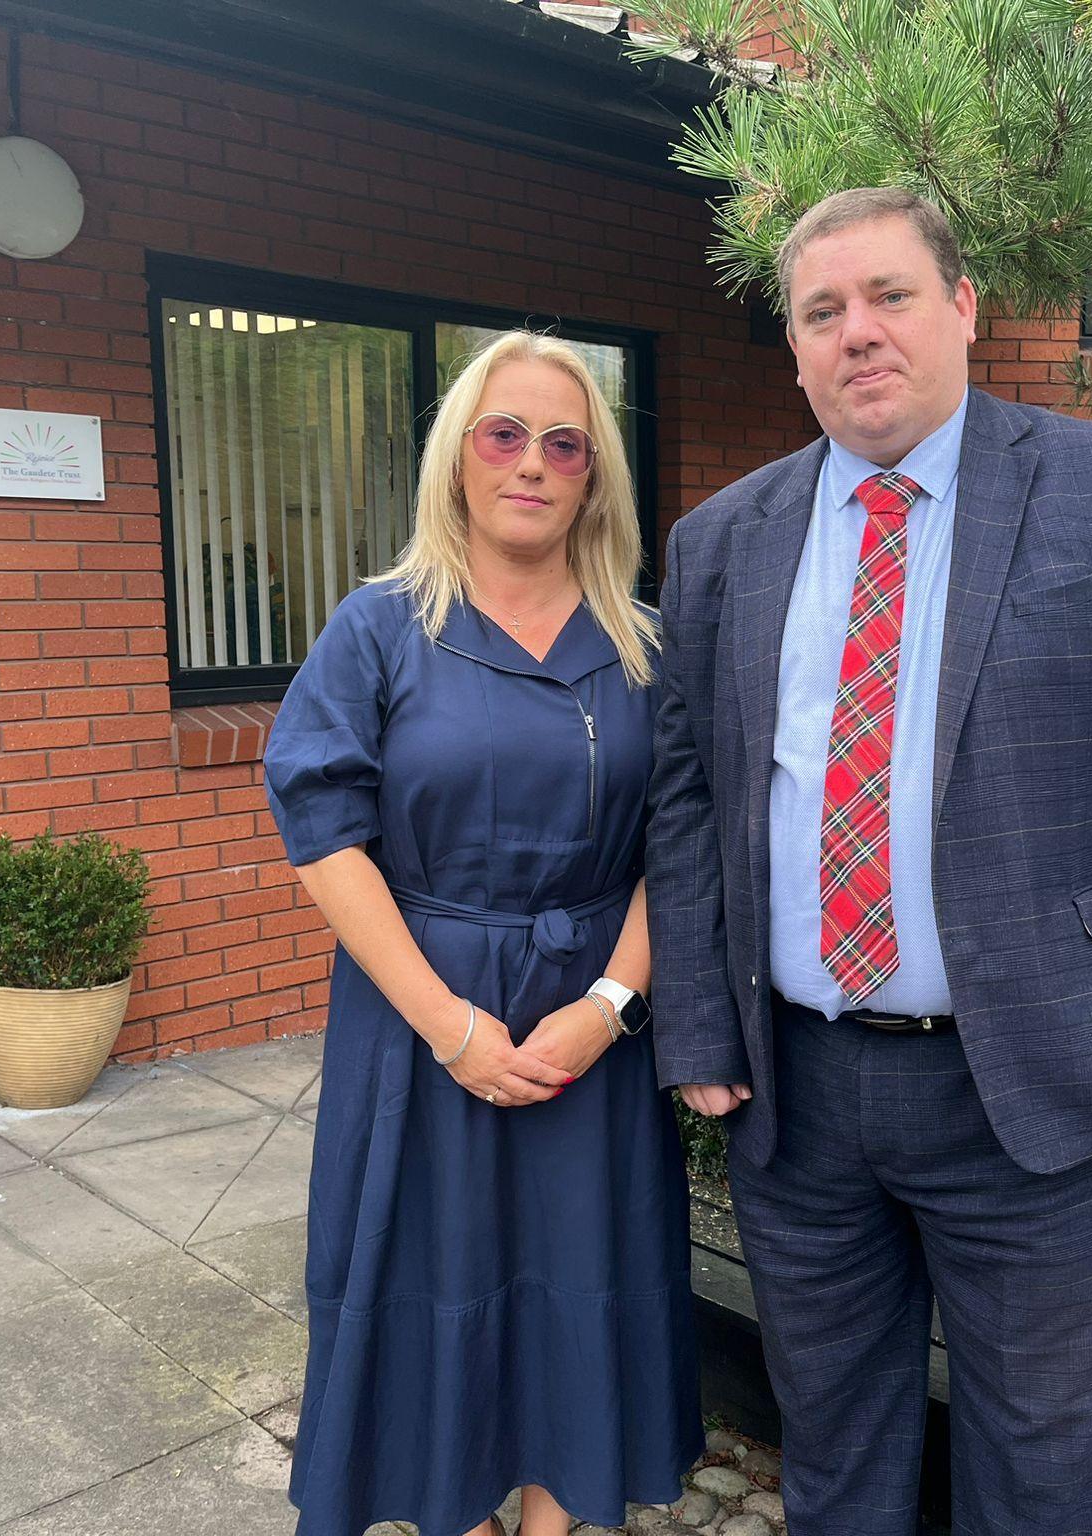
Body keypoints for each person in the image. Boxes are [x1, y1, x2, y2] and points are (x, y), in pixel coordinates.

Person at [647, 187, 1092, 1534]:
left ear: (964, 308)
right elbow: (687, 798)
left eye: (890, 296)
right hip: (797, 1101)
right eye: (823, 312)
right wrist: (696, 1019)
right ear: (798, 349)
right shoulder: (719, 543)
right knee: (838, 1457)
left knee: (1049, 1476)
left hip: (1038, 1088)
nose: (858, 333)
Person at [265, 331, 700, 1536]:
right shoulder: (379, 628)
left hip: (587, 1031)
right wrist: (451, 1027)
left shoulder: (644, 648)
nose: (532, 463)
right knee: (432, 1283)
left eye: (564, 443)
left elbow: (682, 845)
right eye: (502, 435)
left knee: (581, 1286)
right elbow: (324, 837)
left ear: (594, 474)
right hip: (420, 1024)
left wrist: (609, 1007)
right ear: (456, 459)